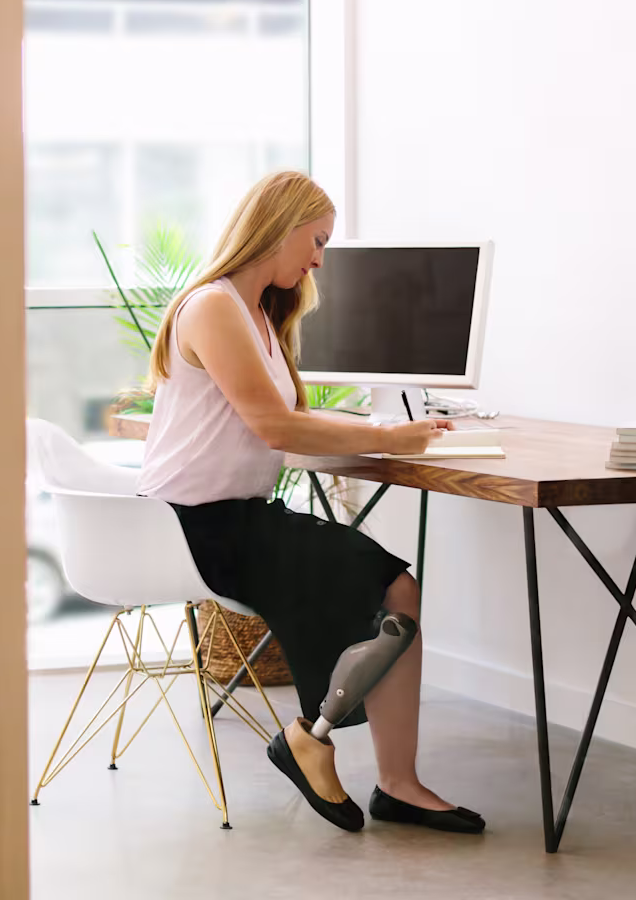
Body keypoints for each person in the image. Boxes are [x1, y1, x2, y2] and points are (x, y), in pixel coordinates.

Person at [136, 170, 485, 835]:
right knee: (387, 587)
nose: (320, 258)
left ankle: (386, 776)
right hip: (195, 528)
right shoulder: (212, 307)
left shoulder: (262, 316)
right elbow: (275, 427)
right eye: (317, 240)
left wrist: (385, 440)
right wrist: (390, 435)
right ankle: (312, 737)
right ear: (280, 225)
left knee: (395, 587)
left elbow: (276, 434)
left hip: (238, 517)